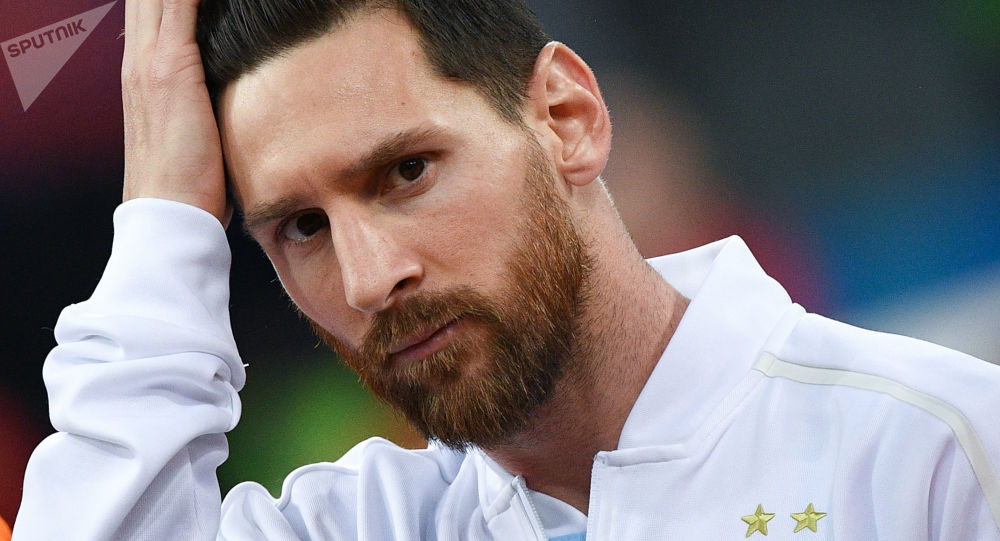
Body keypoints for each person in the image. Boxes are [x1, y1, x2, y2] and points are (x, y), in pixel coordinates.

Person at [14, 0, 1000, 539]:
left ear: (567, 118)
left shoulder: (935, 448)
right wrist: (162, 215)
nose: (368, 278)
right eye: (302, 227)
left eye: (407, 171)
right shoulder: (361, 524)